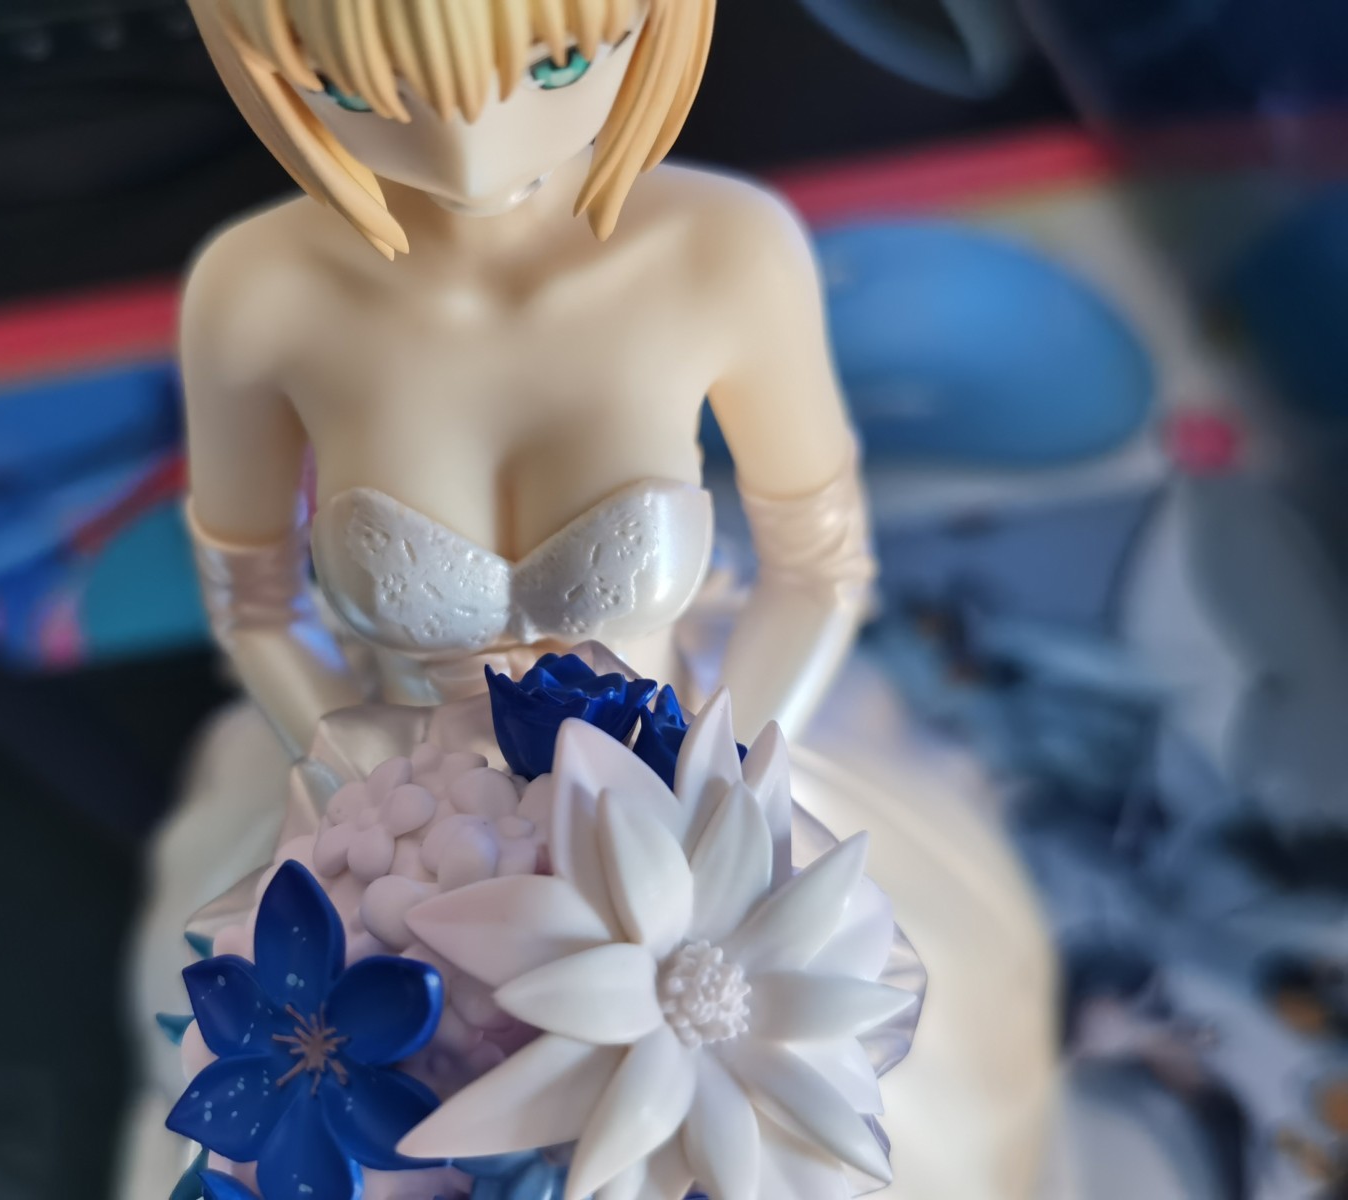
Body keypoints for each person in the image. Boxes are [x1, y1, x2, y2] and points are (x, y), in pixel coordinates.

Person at [120, 3, 1063, 1197]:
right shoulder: (259, 294)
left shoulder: (722, 251)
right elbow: (254, 605)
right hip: (389, 827)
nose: (472, 154)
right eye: (358, 89)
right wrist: (368, 793)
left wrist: (710, 792)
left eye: (557, 62)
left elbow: (817, 567)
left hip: (701, 798)